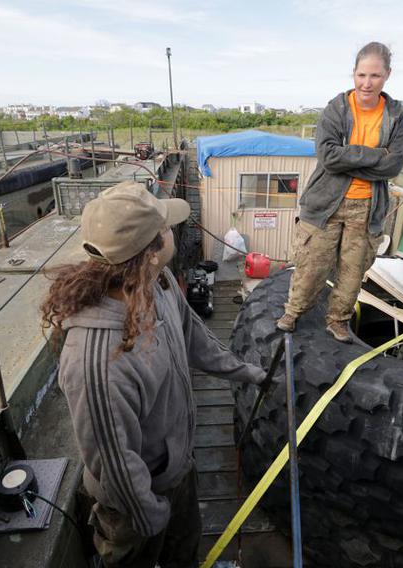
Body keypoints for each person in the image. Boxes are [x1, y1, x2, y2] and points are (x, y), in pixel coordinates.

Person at [41, 181, 267, 568]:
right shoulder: (98, 361)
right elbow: (114, 465)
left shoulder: (156, 283)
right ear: (149, 253)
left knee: (185, 550)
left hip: (177, 472)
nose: (172, 231)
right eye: (165, 228)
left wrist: (247, 372)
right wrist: (151, 516)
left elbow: (194, 336)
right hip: (136, 507)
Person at [277, 41, 403, 343]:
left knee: (352, 272)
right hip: (325, 203)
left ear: (387, 75)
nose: (367, 83)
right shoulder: (336, 109)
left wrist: (349, 157)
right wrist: (376, 155)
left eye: (375, 76)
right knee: (312, 263)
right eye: (362, 75)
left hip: (367, 207)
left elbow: (393, 165)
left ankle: (338, 320)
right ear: (353, 73)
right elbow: (328, 157)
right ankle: (293, 311)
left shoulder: (396, 116)